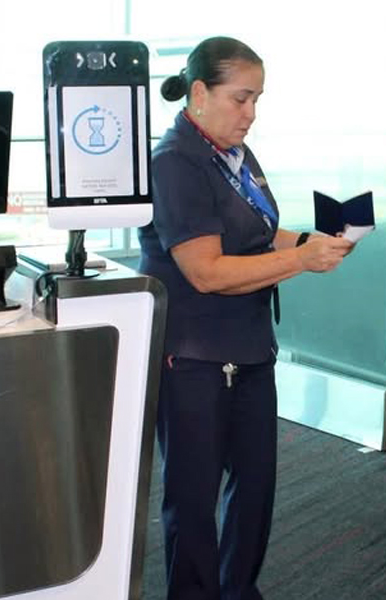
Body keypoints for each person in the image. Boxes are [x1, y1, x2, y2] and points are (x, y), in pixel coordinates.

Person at [138, 37, 354, 600]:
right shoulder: (174, 163)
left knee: (255, 488)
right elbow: (205, 270)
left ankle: (238, 591)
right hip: (193, 356)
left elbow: (257, 233)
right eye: (240, 99)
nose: (251, 114)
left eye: (257, 99)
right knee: (192, 496)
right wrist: (300, 259)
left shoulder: (234, 154)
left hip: (250, 348)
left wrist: (310, 242)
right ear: (199, 92)